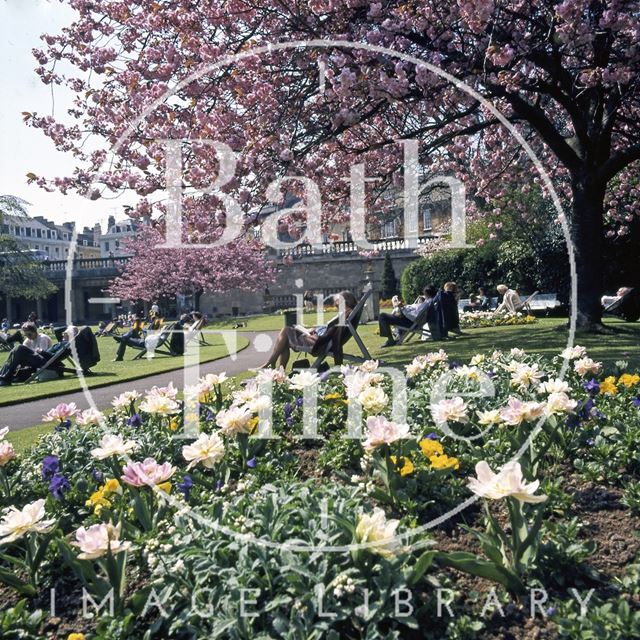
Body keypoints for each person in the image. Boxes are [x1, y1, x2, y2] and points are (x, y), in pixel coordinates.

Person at [260, 291, 358, 368]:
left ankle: (271, 363)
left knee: (285, 331)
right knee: (285, 336)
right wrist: (315, 329)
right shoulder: (345, 314)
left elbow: (330, 335)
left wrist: (313, 334)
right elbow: (329, 329)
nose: (336, 306)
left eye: (338, 304)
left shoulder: (344, 316)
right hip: (317, 337)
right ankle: (276, 367)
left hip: (317, 343)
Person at [0, 325, 75, 386]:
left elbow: (53, 357)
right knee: (15, 351)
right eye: (64, 333)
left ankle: (5, 379)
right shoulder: (61, 343)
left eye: (65, 333)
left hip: (45, 360)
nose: (63, 335)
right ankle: (3, 377)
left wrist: (41, 351)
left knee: (19, 348)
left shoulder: (65, 344)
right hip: (42, 359)